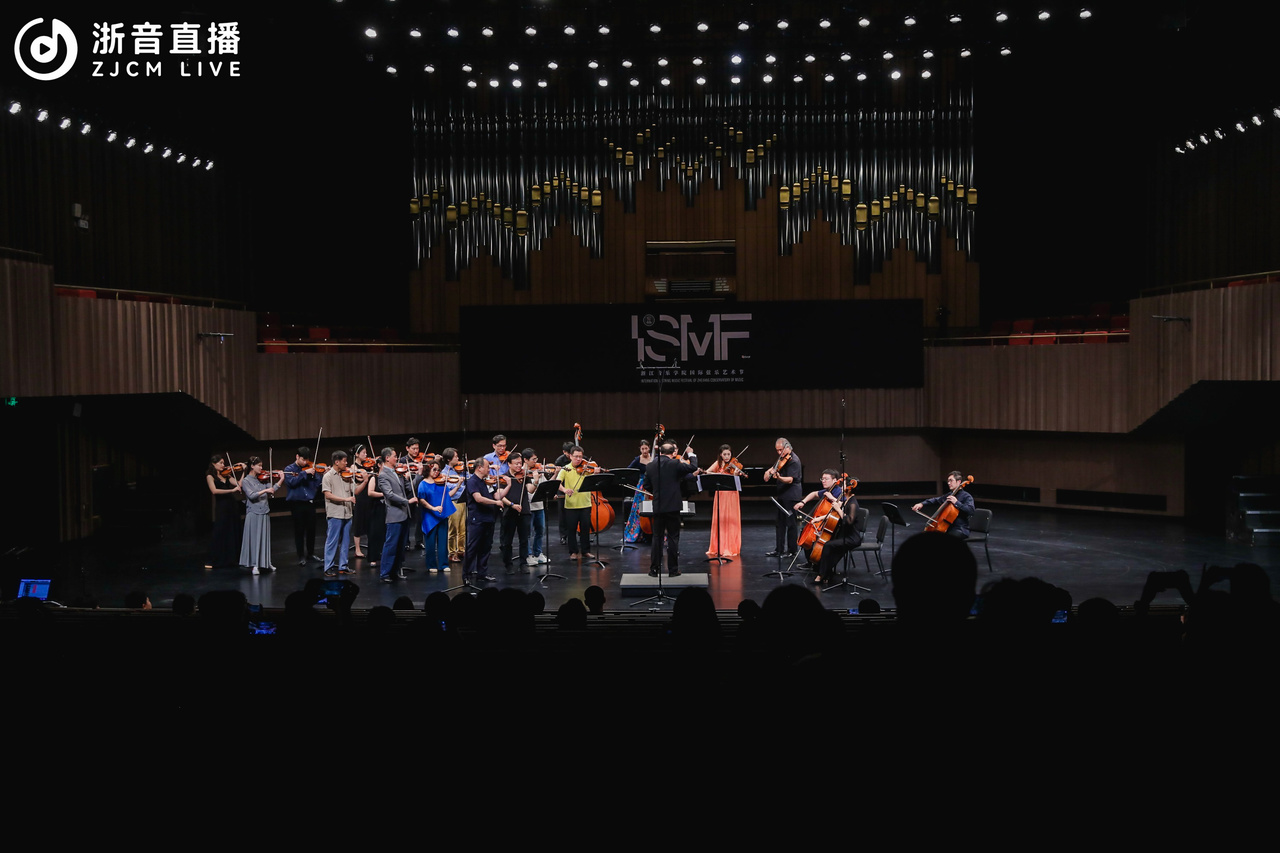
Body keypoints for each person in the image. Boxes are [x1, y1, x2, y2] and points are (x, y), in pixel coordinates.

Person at [645, 441, 701, 577]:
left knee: (657, 538)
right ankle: (673, 570)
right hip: (673, 506)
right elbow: (693, 467)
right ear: (672, 453)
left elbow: (647, 485)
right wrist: (691, 454)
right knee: (673, 538)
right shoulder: (675, 464)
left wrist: (658, 492)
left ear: (660, 452)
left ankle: (654, 569)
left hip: (658, 506)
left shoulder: (650, 466)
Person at [322, 450, 368, 577]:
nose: (346, 463)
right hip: (335, 513)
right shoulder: (328, 476)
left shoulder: (347, 476)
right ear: (337, 462)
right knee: (332, 541)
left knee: (346, 541)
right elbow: (327, 494)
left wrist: (364, 481)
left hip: (347, 513)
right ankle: (328, 567)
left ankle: (343, 566)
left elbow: (356, 491)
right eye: (344, 461)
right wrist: (345, 499)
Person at [463, 456, 510, 582]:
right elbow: (478, 499)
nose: (489, 469)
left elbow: (497, 496)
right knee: (473, 547)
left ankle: (482, 573)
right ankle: (467, 574)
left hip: (489, 518)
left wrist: (508, 485)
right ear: (479, 468)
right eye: (487, 467)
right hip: (477, 519)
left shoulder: (486, 481)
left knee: (486, 547)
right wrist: (495, 503)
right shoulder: (472, 481)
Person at [377, 447, 416, 582]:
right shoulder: (383, 475)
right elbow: (389, 494)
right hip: (394, 515)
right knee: (391, 545)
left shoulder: (398, 473)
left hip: (404, 513)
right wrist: (407, 501)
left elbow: (408, 489)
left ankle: (395, 571)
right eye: (394, 456)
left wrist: (410, 478)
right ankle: (385, 574)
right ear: (387, 458)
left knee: (400, 546)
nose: (397, 458)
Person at [794, 469, 845, 568]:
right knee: (806, 532)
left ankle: (819, 563)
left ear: (835, 480)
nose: (823, 481)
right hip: (823, 520)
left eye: (826, 479)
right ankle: (811, 562)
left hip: (833, 522)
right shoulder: (827, 490)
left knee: (815, 537)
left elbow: (842, 506)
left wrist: (832, 498)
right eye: (822, 479)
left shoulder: (839, 492)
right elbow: (814, 493)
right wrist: (803, 502)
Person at [810, 490, 862, 585]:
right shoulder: (847, 501)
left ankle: (822, 574)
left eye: (844, 485)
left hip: (852, 538)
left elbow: (849, 521)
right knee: (831, 545)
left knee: (828, 545)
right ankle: (826, 573)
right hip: (844, 535)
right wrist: (819, 518)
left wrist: (838, 509)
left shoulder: (853, 503)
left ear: (849, 489)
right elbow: (835, 516)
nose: (841, 488)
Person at [240, 456, 281, 575]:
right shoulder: (246, 481)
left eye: (261, 465)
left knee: (264, 538)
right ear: (252, 466)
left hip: (264, 511)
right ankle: (255, 565)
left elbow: (272, 489)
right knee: (255, 539)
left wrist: (281, 480)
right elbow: (252, 495)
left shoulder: (262, 479)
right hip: (253, 513)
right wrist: (265, 491)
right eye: (259, 465)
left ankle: (266, 562)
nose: (261, 468)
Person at [417, 458, 459, 573]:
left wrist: (458, 485)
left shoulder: (441, 483)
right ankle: (431, 565)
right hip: (429, 516)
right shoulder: (423, 484)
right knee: (430, 543)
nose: (437, 472)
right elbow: (422, 500)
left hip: (441, 516)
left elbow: (448, 495)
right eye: (434, 469)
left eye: (438, 470)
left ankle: (443, 564)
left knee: (443, 542)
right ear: (428, 470)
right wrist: (433, 508)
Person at [763, 437, 802, 557]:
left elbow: (790, 480)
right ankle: (779, 550)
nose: (779, 452)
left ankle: (792, 550)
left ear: (787, 447)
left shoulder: (794, 460)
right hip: (782, 494)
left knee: (791, 524)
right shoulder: (781, 458)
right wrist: (768, 473)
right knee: (780, 523)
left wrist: (779, 478)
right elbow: (772, 470)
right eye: (777, 450)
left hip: (792, 495)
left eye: (781, 450)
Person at [283, 446, 322, 566]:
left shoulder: (311, 468)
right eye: (303, 460)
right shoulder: (289, 469)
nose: (305, 463)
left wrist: (317, 475)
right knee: (299, 530)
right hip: (297, 504)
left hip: (309, 502)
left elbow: (317, 483)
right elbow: (291, 483)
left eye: (307, 460)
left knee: (311, 530)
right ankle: (301, 556)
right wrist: (304, 473)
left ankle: (311, 554)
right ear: (297, 457)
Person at [556, 446, 595, 559]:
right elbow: (557, 483)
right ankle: (573, 552)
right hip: (571, 505)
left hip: (585, 503)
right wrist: (564, 490)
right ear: (570, 456)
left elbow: (593, 480)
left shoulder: (586, 468)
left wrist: (595, 472)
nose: (578, 459)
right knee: (571, 530)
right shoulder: (565, 469)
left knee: (585, 529)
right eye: (576, 456)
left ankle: (586, 551)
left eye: (580, 457)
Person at [705, 444, 743, 558]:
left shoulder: (734, 464)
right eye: (724, 454)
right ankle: (718, 547)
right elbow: (707, 472)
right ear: (721, 455)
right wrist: (718, 474)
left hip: (731, 494)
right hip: (721, 494)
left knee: (730, 519)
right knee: (721, 518)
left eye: (728, 454)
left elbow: (736, 480)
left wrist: (735, 474)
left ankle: (730, 547)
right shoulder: (718, 463)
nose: (727, 457)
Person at [912, 470, 975, 539]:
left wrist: (956, 502)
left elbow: (971, 511)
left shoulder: (966, 496)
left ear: (959, 482)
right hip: (947, 528)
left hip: (959, 529)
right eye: (948, 481)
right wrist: (921, 504)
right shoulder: (949, 495)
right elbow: (936, 500)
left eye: (951, 480)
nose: (948, 483)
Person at [205, 453, 242, 569]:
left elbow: (239, 484)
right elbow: (214, 491)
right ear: (213, 464)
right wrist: (232, 491)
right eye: (220, 463)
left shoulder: (226, 475)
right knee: (220, 531)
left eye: (223, 463)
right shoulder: (210, 476)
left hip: (231, 505)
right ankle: (217, 559)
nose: (223, 465)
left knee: (233, 530)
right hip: (222, 506)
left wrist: (243, 471)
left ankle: (233, 558)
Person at [499, 451, 532, 573]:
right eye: (516, 463)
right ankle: (508, 564)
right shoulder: (504, 477)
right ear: (509, 464)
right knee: (507, 541)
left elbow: (531, 490)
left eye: (520, 463)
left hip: (524, 511)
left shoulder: (524, 476)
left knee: (524, 539)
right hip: (509, 512)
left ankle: (523, 563)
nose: (519, 466)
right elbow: (500, 496)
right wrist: (512, 505)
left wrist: (535, 481)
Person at [623, 439, 654, 544]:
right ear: (640, 449)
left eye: (646, 448)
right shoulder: (637, 459)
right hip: (642, 487)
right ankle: (637, 533)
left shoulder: (654, 457)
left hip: (653, 485)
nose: (644, 451)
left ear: (649, 448)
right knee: (638, 510)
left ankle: (652, 532)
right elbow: (628, 470)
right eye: (642, 449)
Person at [440, 447, 467, 563]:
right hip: (453, 502)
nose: (458, 458)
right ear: (449, 459)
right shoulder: (444, 474)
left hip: (463, 502)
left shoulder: (459, 470)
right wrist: (459, 484)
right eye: (456, 457)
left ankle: (461, 550)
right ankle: (452, 553)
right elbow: (448, 490)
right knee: (453, 529)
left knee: (463, 529)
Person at [523, 448, 549, 566]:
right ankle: (528, 555)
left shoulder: (538, 471)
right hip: (528, 507)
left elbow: (546, 484)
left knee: (540, 531)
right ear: (525, 460)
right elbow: (529, 490)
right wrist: (535, 479)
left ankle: (538, 553)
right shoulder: (521, 472)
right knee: (528, 533)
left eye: (536, 459)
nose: (536, 461)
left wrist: (555, 473)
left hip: (539, 506)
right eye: (533, 459)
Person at [400, 437, 427, 550]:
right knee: (407, 517)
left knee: (420, 517)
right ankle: (406, 542)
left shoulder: (422, 460)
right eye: (413, 448)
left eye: (417, 448)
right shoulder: (403, 461)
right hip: (408, 492)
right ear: (407, 448)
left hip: (420, 491)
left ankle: (419, 541)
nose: (416, 451)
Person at [349, 443, 372, 558]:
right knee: (358, 522)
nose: (366, 455)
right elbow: (358, 478)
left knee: (370, 522)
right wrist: (366, 475)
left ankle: (372, 547)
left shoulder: (367, 465)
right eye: (364, 453)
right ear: (357, 454)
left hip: (369, 495)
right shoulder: (353, 467)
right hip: (360, 496)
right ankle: (357, 549)